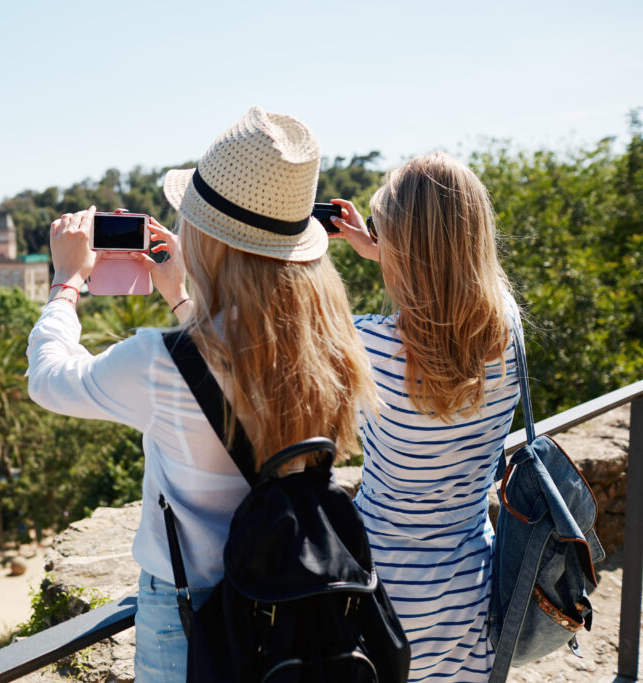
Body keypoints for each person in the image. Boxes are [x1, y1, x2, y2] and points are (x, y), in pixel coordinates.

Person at [27, 106, 376, 682]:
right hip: (303, 596)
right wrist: (181, 297)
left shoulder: (160, 362)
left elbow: (50, 379)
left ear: (207, 235)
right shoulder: (330, 340)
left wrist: (68, 281)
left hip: (191, 612)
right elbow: (233, 370)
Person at [328, 152, 521, 681]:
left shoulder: (367, 341)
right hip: (471, 589)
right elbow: (459, 284)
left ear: (401, 247)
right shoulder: (507, 334)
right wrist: (394, 251)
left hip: (383, 598)